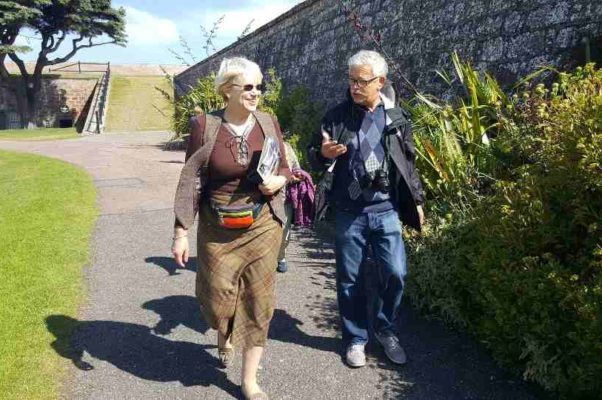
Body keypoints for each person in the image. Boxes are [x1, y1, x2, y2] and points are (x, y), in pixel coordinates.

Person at [172, 57, 290, 400]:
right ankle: (223, 332)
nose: (256, 93)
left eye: (259, 86)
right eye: (248, 87)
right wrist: (181, 231)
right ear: (228, 91)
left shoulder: (268, 122)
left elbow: (283, 165)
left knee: (259, 301)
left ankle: (249, 380)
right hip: (217, 227)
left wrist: (279, 180)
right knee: (218, 300)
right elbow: (191, 180)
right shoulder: (204, 126)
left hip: (262, 225)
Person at [308, 50, 425, 368]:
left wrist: (416, 200)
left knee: (396, 273)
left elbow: (409, 164)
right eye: (351, 80)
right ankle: (356, 338)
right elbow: (312, 156)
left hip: (386, 209)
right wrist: (322, 152)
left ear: (380, 82)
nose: (354, 86)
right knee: (350, 279)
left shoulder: (396, 118)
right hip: (350, 212)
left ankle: (386, 330)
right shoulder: (336, 117)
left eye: (362, 81)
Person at [277, 139, 301, 273]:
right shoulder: (265, 145)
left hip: (286, 198)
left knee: (284, 231)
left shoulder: (288, 148)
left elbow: (297, 167)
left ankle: (281, 257)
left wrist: (297, 175)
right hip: (266, 198)